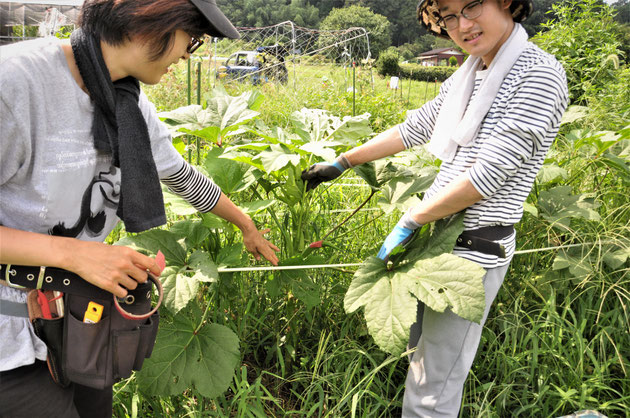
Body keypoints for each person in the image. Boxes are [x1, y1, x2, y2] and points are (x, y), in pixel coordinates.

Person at [0, 0, 278, 416]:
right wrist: (79, 255)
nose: (188, 54)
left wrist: (246, 224)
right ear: (148, 24)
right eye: (192, 38)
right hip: (11, 341)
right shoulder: (16, 83)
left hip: (78, 327)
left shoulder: (126, 101)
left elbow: (182, 176)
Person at [301, 0, 568, 416]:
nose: (462, 24)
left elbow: (487, 176)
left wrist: (413, 218)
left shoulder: (538, 75)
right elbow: (416, 127)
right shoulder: (470, 74)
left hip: (472, 250)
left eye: (472, 5)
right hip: (432, 239)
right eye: (448, 14)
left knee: (433, 388)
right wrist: (345, 161)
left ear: (508, 3)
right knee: (418, 360)